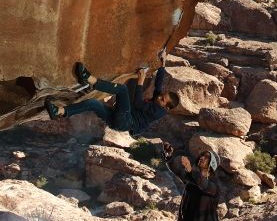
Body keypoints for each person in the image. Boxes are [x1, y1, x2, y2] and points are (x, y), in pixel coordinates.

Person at [45, 48, 180, 135]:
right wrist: (163, 63)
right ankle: (59, 112)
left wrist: (141, 80)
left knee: (122, 89)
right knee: (93, 103)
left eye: (162, 100)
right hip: (119, 122)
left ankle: (89, 79)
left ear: (167, 107)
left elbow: (138, 103)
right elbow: (158, 85)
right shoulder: (159, 102)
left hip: (126, 120)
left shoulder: (159, 111)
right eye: (162, 96)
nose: (159, 98)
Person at [163, 142, 221, 221]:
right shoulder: (191, 179)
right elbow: (176, 170)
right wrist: (169, 155)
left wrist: (190, 170)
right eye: (202, 155)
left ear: (212, 164)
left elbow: (203, 184)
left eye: (206, 157)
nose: (202, 158)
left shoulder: (214, 185)